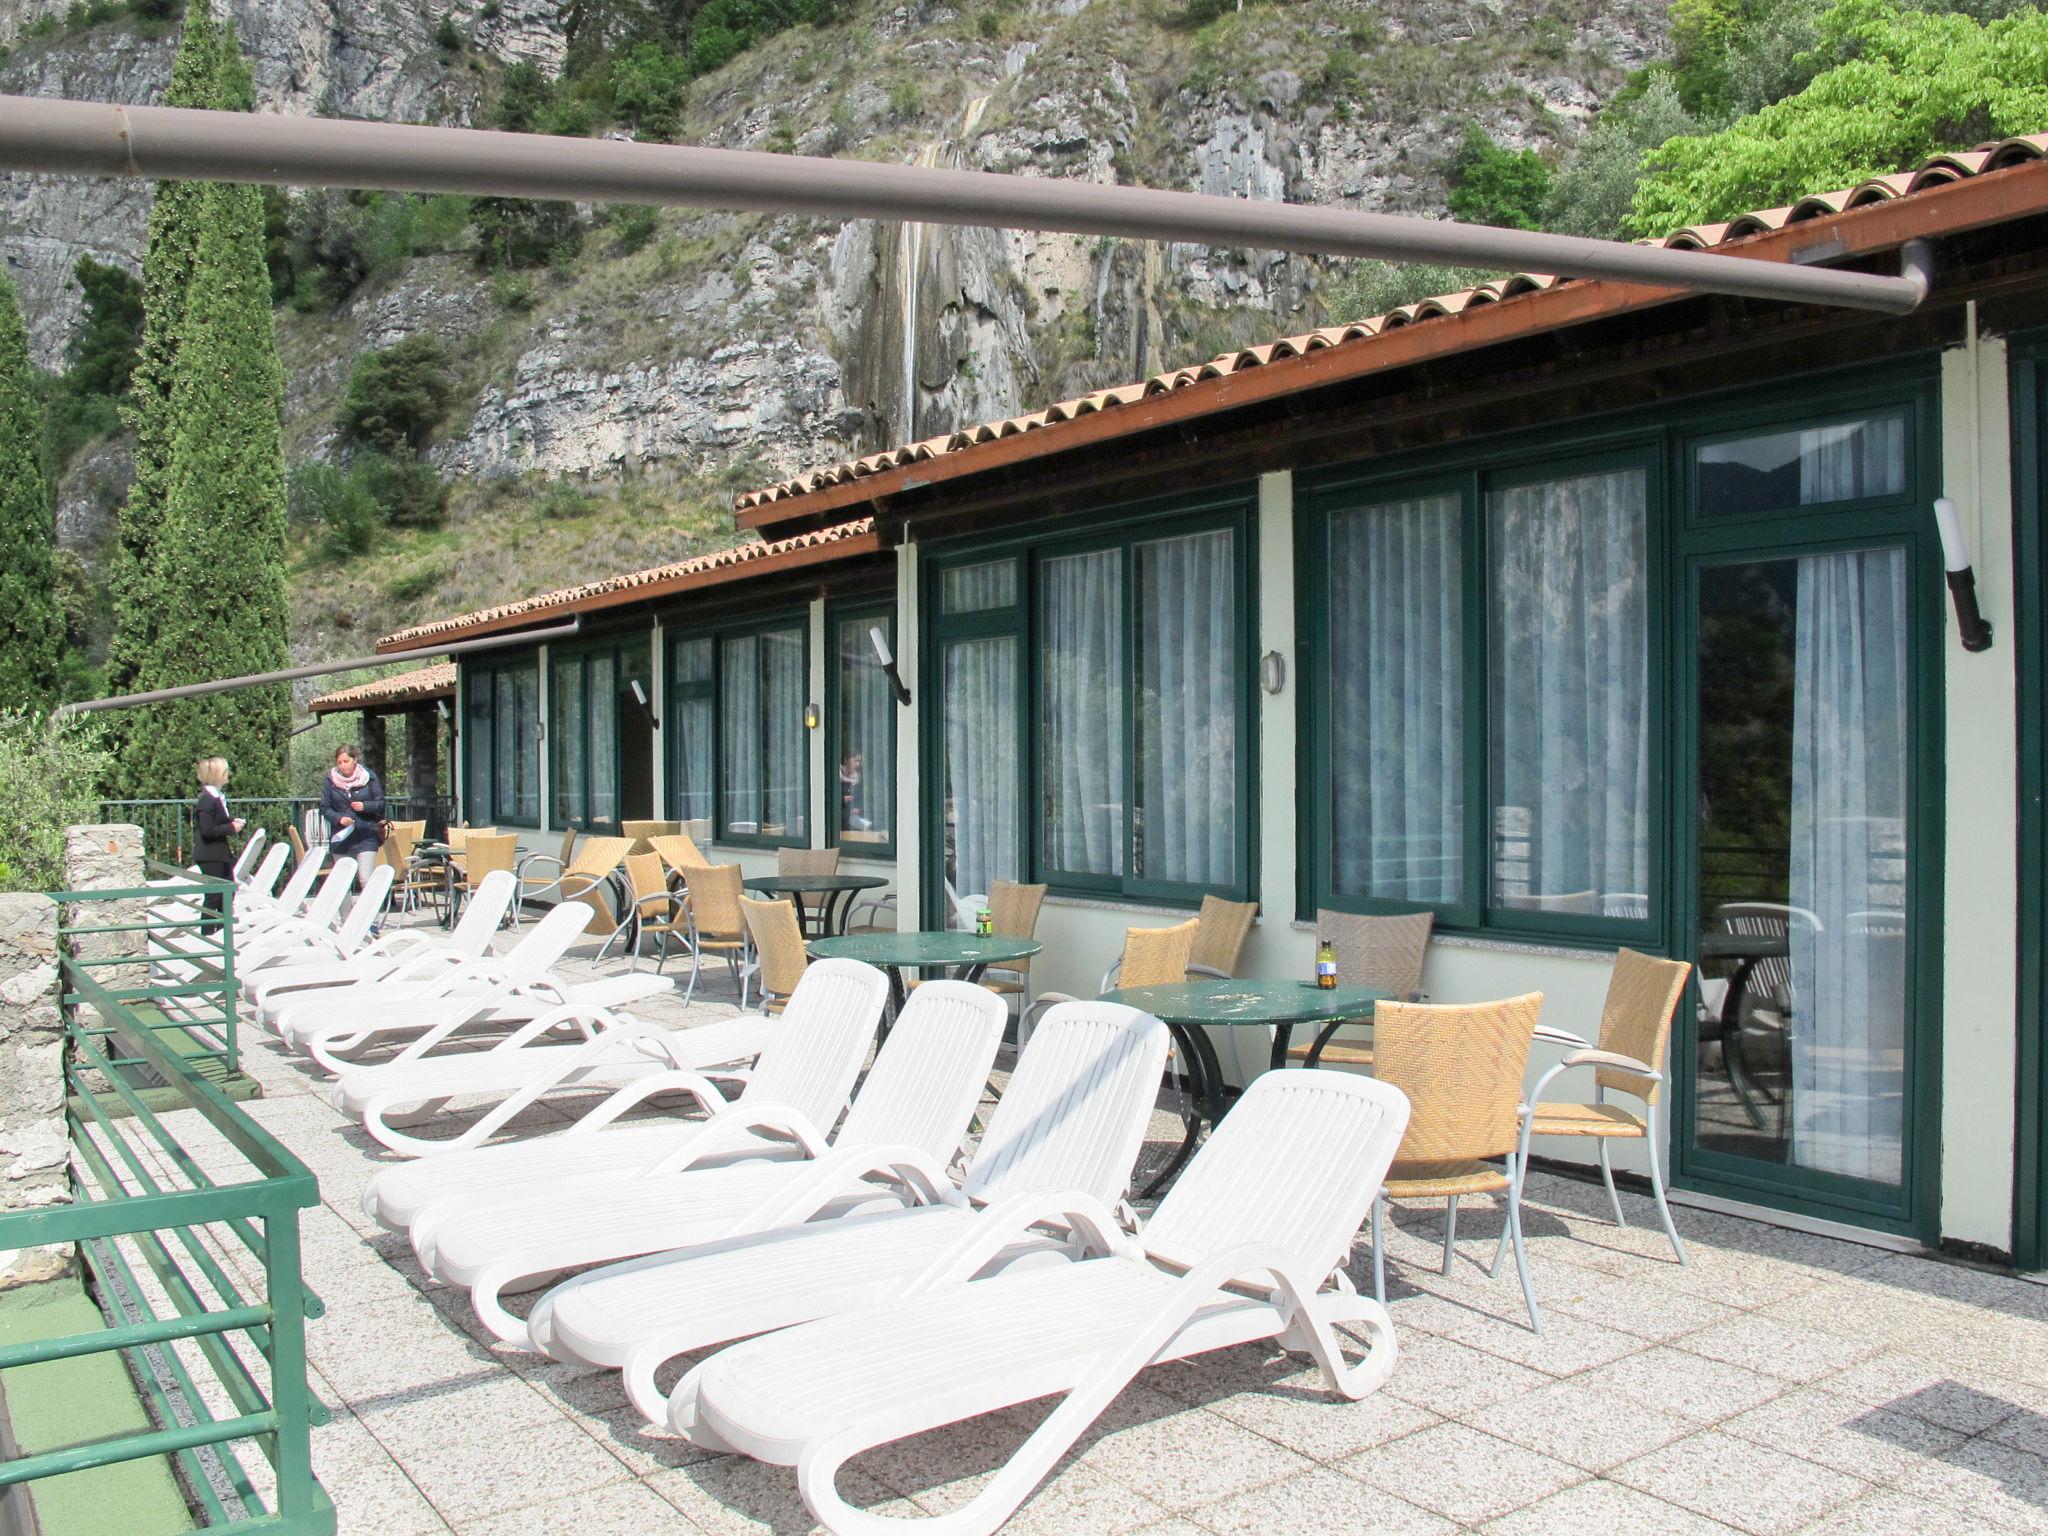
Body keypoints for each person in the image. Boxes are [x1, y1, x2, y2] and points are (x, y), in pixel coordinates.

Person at [321, 744, 387, 903]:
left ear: (355, 759)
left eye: (346, 761)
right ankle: (346, 920)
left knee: (366, 879)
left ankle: (371, 921)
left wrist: (366, 806)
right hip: (342, 837)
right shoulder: (330, 780)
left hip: (366, 835)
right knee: (341, 882)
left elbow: (381, 804)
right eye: (339, 762)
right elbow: (324, 807)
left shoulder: (369, 777)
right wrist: (339, 819)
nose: (343, 765)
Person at [191, 756, 245, 916]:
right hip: (210, 855)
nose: (228, 774)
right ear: (217, 774)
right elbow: (207, 830)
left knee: (227, 894)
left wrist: (231, 822)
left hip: (219, 854)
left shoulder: (216, 797)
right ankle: (208, 934)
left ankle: (222, 932)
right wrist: (231, 828)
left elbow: (217, 822)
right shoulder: (207, 800)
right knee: (214, 896)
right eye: (225, 771)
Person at [838, 751, 871, 833]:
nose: (858, 764)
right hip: (839, 819)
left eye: (859, 762)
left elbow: (861, 796)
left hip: (852, 817)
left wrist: (858, 808)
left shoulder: (858, 776)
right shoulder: (838, 775)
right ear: (846, 759)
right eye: (855, 760)